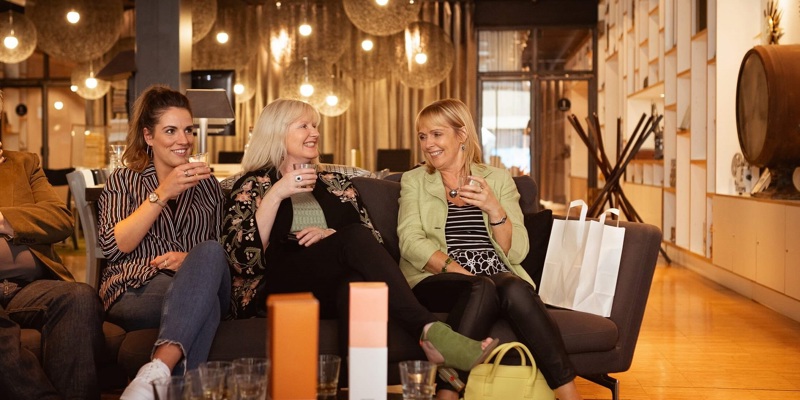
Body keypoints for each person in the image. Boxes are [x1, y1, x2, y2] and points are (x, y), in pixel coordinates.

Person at [220, 98, 498, 375]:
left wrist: (331, 236)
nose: (315, 132)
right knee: (353, 237)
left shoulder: (336, 183)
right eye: (304, 126)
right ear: (277, 132)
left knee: (354, 282)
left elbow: (375, 245)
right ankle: (428, 331)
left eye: (315, 126)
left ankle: (358, 386)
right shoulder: (252, 185)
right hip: (278, 283)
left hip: (328, 286)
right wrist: (278, 193)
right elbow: (243, 261)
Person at [397, 98, 583, 400]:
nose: (428, 144)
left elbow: (517, 252)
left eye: (436, 134)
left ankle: (569, 395)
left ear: (462, 135)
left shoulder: (497, 179)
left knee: (511, 285)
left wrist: (494, 208)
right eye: (422, 136)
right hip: (439, 277)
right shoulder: (414, 180)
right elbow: (410, 240)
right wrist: (463, 273)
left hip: (497, 276)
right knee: (483, 286)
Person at [97, 85, 230, 399]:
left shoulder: (207, 185)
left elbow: (219, 250)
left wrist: (190, 260)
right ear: (148, 136)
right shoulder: (124, 180)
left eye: (188, 130)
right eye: (170, 131)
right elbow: (114, 246)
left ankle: (155, 372)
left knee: (209, 256)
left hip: (197, 282)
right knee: (205, 303)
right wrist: (162, 193)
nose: (183, 140)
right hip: (138, 286)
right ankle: (175, 387)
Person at [0, 139, 105, 399]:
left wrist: (3, 219)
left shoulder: (24, 164)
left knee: (79, 297)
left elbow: (60, 219)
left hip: (28, 288)